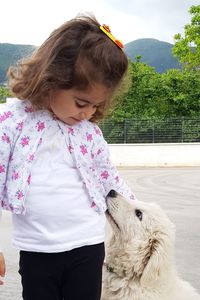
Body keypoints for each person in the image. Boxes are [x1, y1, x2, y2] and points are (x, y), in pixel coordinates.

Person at [0, 14, 135, 300]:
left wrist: (138, 216)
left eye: (96, 105)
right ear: (52, 78)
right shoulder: (11, 122)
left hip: (88, 244)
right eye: (81, 102)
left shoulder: (89, 133)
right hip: (37, 251)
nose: (87, 113)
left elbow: (108, 179)